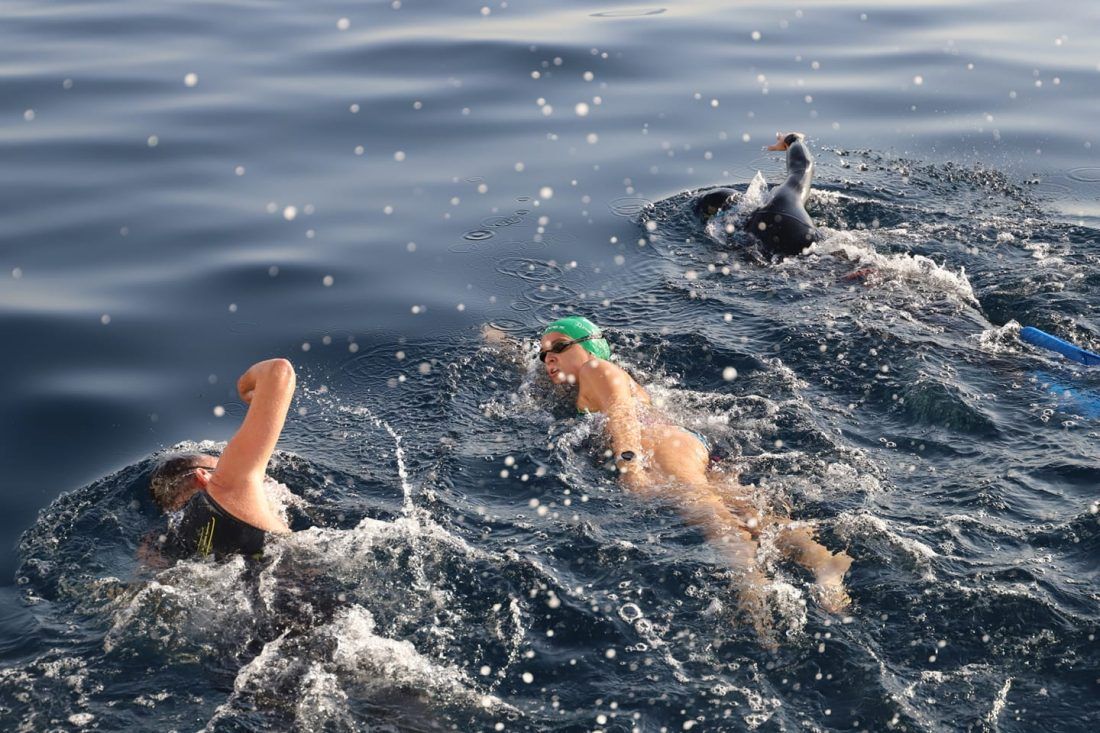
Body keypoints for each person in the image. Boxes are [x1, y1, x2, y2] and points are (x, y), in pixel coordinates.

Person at [537, 316, 852, 629]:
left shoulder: (596, 369)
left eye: (559, 347)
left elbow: (621, 411)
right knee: (749, 513)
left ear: (590, 347)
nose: (548, 357)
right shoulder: (591, 380)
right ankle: (823, 562)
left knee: (712, 517)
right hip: (683, 442)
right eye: (543, 354)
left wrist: (629, 465)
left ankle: (753, 594)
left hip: (662, 446)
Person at [146, 358, 297, 560]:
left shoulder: (173, 542)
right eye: (220, 466)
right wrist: (245, 386)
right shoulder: (225, 488)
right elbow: (279, 371)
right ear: (203, 477)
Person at [696, 132, 820, 257]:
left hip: (759, 247)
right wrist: (793, 139)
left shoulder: (733, 225)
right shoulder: (785, 195)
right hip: (798, 232)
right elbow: (803, 167)